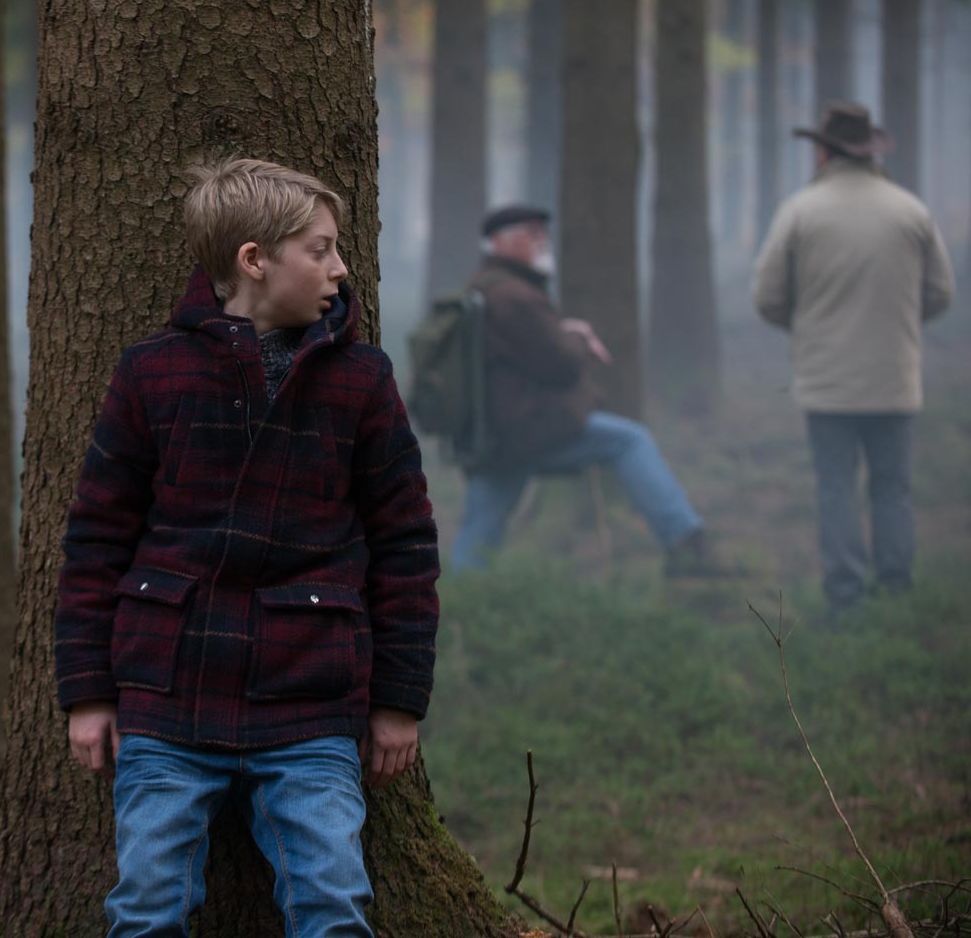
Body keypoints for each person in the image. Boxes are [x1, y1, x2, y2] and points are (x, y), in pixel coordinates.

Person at [54, 158, 441, 937]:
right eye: (321, 249)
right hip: (165, 700)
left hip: (311, 702)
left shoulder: (362, 380)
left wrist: (398, 700)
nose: (340, 269)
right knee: (144, 912)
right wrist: (89, 691)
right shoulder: (151, 373)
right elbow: (96, 539)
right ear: (254, 260)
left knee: (332, 908)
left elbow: (405, 546)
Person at [448, 205, 737, 576]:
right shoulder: (514, 297)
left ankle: (459, 602)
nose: (541, 241)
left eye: (542, 233)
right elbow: (560, 367)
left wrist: (564, 333)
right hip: (525, 429)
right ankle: (685, 546)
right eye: (530, 233)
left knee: (480, 527)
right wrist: (580, 340)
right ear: (501, 243)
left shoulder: (486, 288)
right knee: (630, 440)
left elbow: (527, 350)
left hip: (495, 432)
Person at [753, 101, 955, 615]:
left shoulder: (800, 212)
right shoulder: (911, 211)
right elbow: (940, 294)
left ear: (824, 154)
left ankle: (844, 598)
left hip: (827, 382)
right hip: (894, 377)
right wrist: (900, 324)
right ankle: (896, 591)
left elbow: (768, 298)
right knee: (893, 488)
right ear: (868, 152)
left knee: (836, 487)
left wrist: (809, 326)